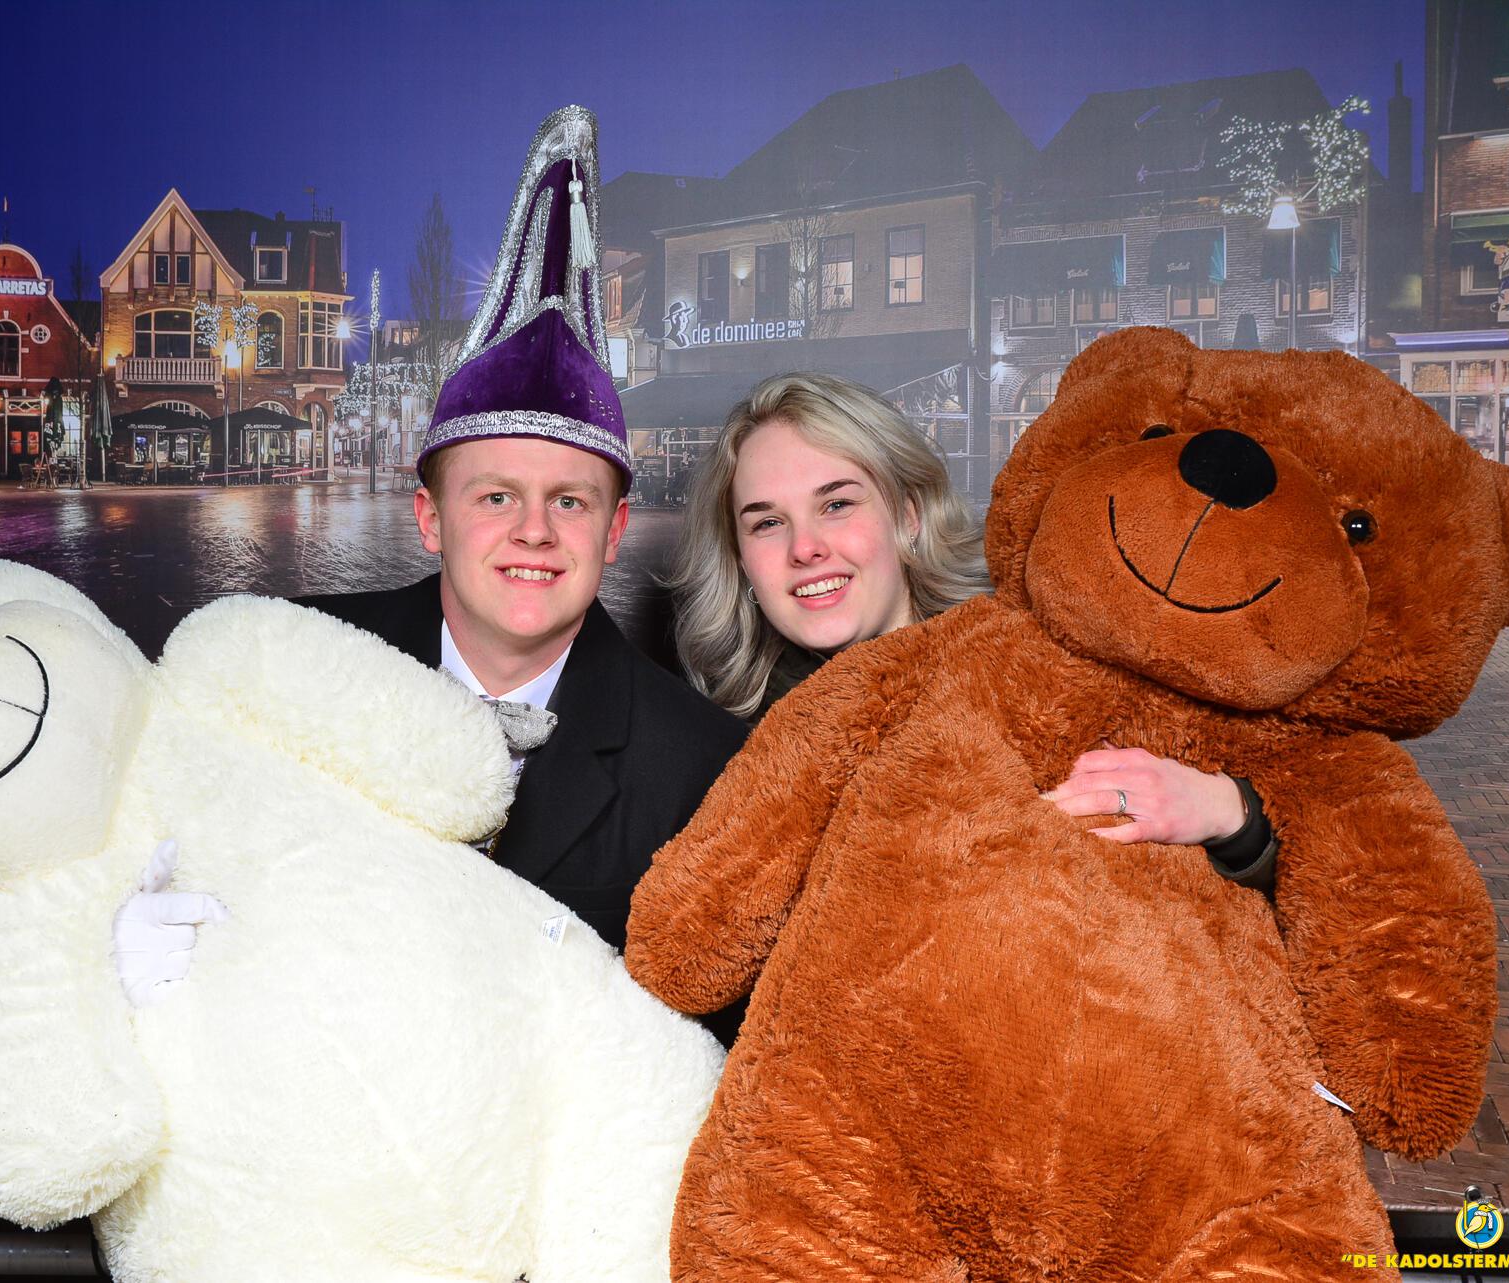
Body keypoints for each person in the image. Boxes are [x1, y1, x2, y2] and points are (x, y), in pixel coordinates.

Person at [113, 106, 747, 1033]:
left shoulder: (698, 767)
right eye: (495, 496)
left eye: (570, 502)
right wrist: (122, 949)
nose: (534, 531)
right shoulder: (295, 667)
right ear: (429, 519)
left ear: (614, 531)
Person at [667, 370, 1276, 885]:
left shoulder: (1044, 657)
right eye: (767, 523)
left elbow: (1314, 868)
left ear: (909, 516)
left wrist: (1231, 815)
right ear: (740, 559)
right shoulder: (721, 751)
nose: (805, 548)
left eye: (837, 504)